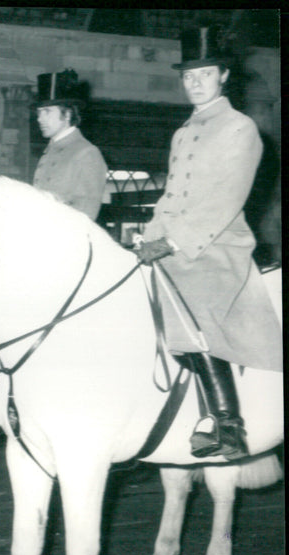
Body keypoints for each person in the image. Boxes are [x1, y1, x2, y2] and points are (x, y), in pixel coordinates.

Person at [135, 25, 282, 461]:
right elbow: (171, 194)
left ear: (223, 76)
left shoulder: (240, 128)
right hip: (173, 240)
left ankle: (227, 423)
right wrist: (150, 235)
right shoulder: (184, 131)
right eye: (188, 76)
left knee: (190, 311)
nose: (194, 82)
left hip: (217, 246)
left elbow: (225, 200)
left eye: (204, 74)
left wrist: (174, 242)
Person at [32, 68, 108, 220]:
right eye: (39, 112)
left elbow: (85, 215)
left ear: (67, 114)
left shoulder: (87, 153)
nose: (40, 119)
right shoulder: (50, 151)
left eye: (47, 111)